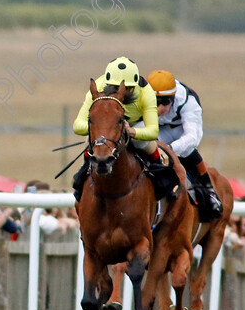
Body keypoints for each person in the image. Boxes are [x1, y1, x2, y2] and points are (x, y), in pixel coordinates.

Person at [71, 57, 178, 202]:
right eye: (115, 88)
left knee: (145, 144)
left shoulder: (146, 92)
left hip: (135, 126)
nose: (121, 92)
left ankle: (160, 179)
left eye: (128, 89)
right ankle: (82, 178)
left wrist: (132, 132)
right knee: (90, 142)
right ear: (107, 84)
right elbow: (78, 126)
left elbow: (153, 131)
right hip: (107, 129)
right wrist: (100, 129)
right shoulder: (97, 87)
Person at [146, 70, 223, 221]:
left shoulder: (188, 102)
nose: (160, 108)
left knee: (187, 149)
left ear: (174, 97)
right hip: (157, 129)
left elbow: (192, 137)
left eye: (166, 102)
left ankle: (208, 189)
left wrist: (170, 149)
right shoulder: (140, 96)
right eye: (155, 102)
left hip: (181, 130)